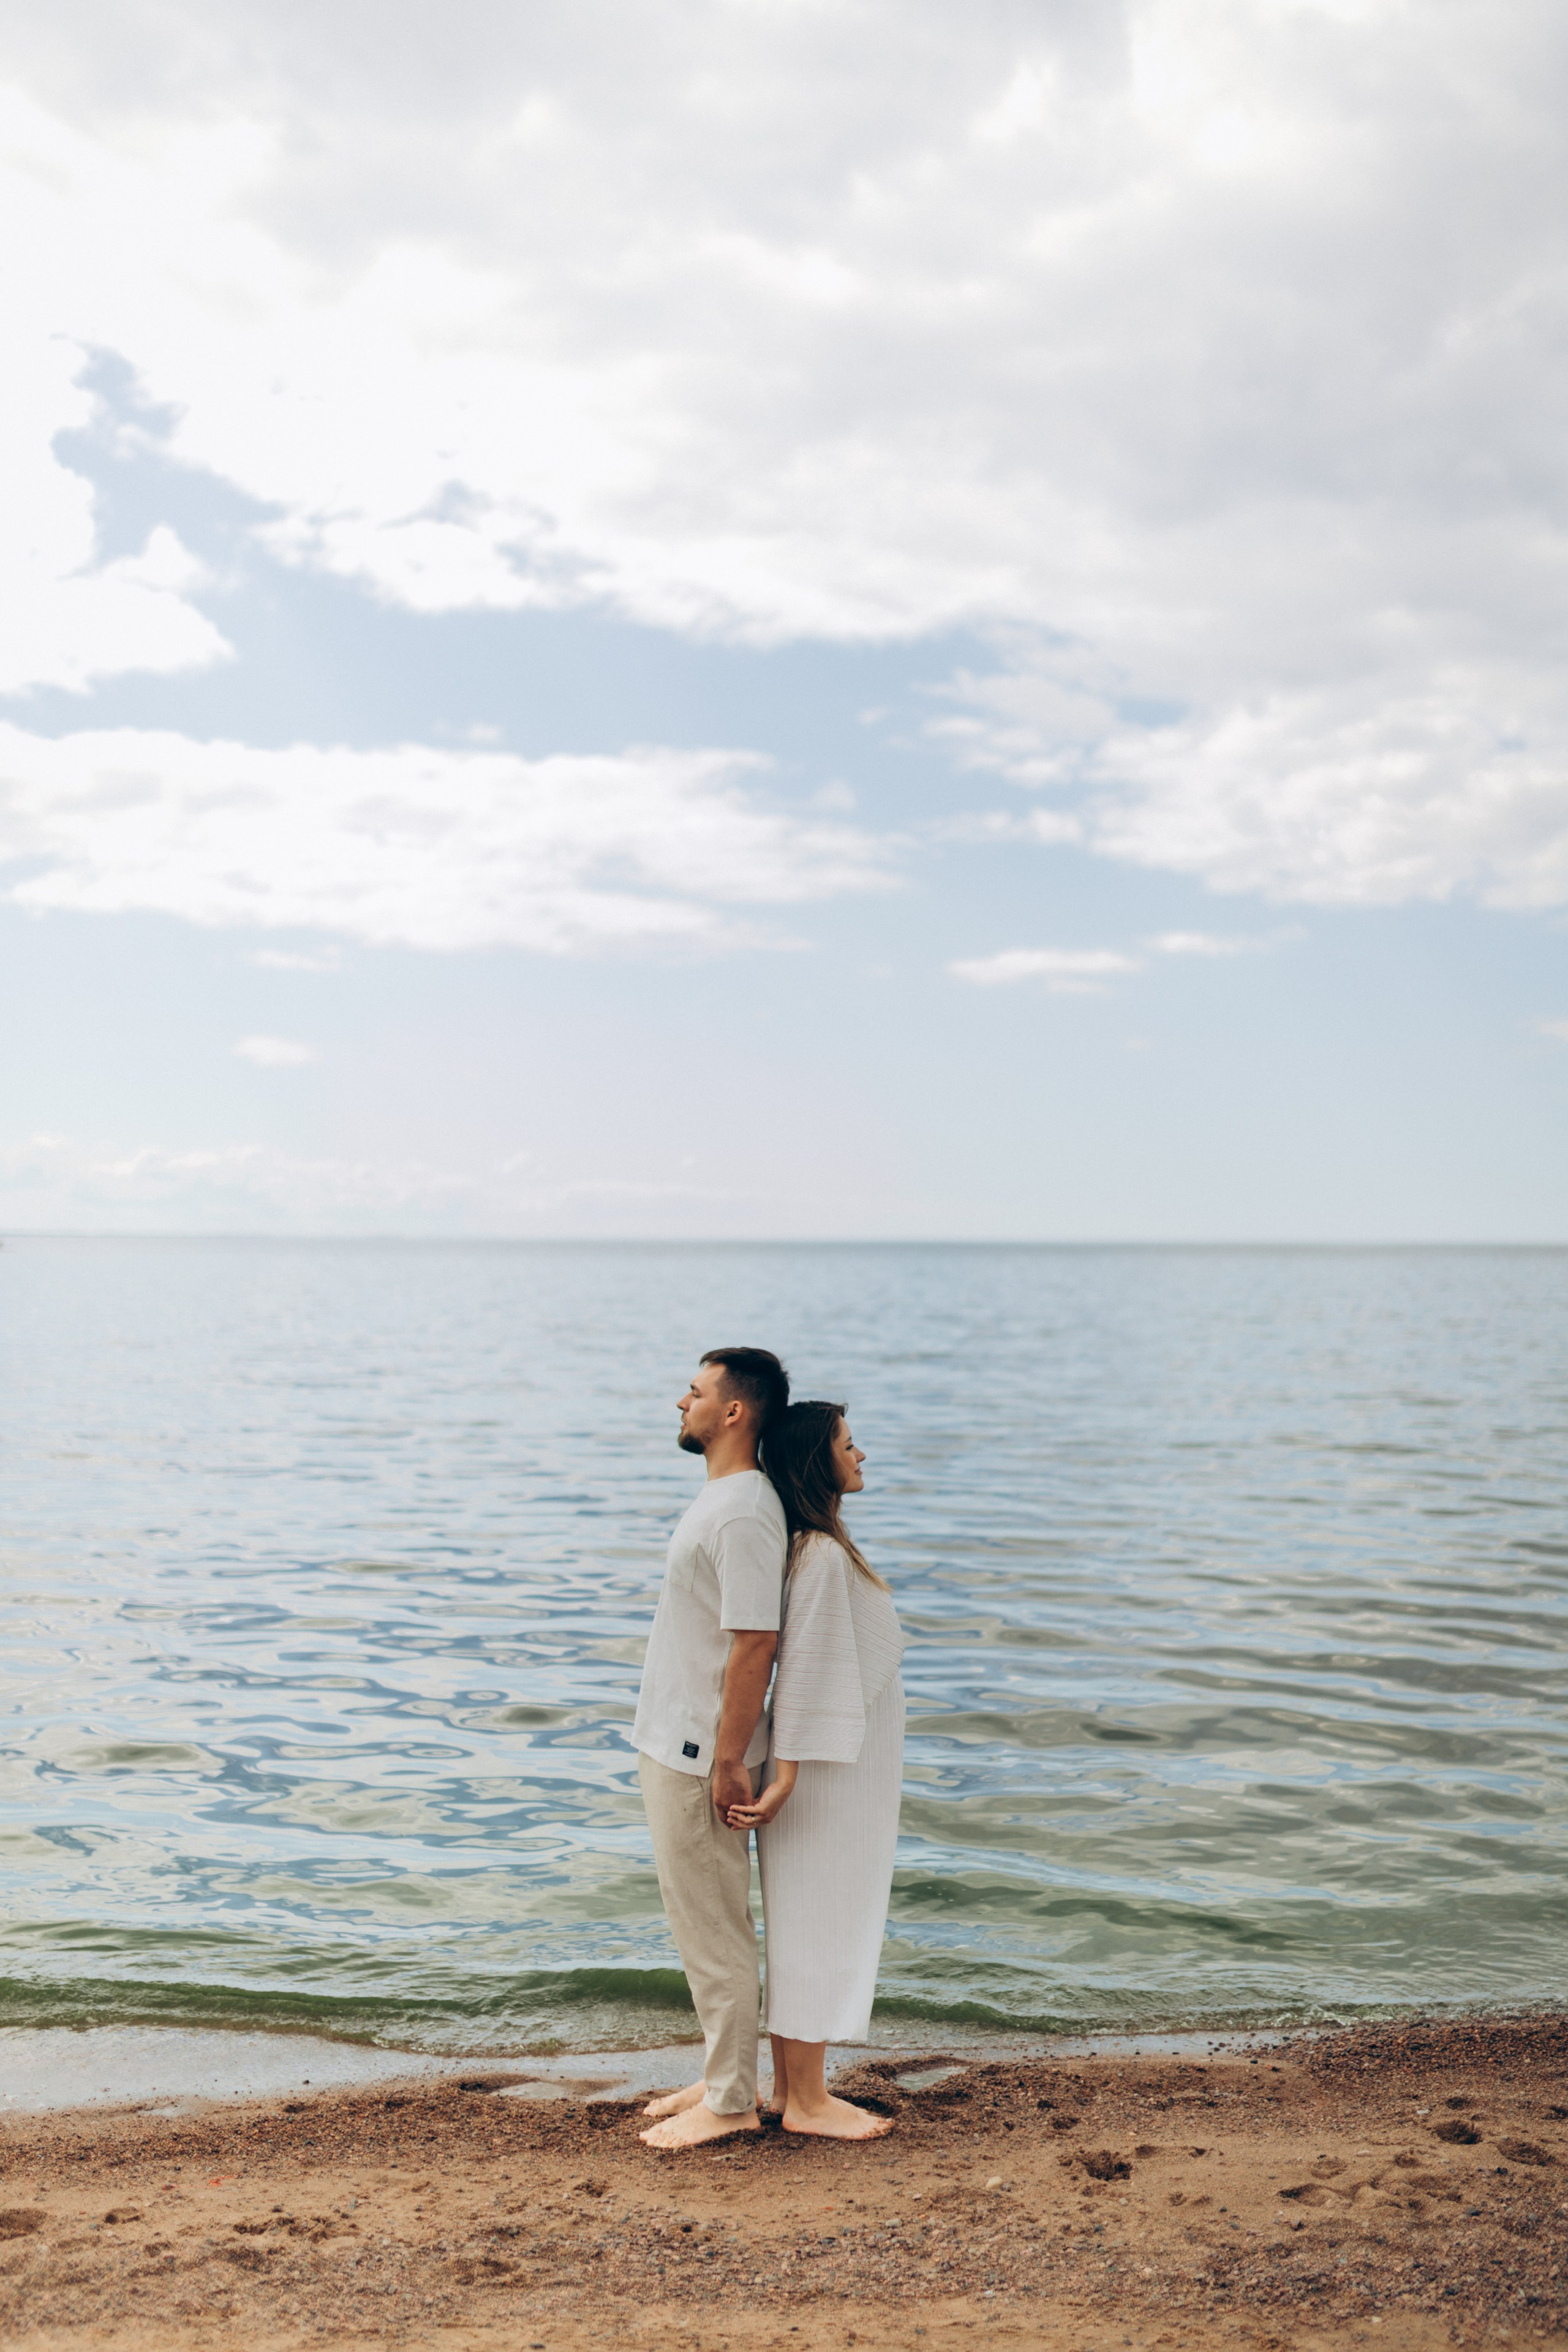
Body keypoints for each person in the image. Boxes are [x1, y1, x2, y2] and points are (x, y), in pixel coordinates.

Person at [728, 1400, 904, 2141]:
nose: (860, 1454)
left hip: (833, 1766)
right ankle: (805, 2100)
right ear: (815, 1461)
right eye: (848, 1444)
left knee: (809, 1921)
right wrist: (789, 1775)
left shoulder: (813, 1548)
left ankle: (789, 2089)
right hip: (826, 1776)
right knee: (819, 1922)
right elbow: (803, 1672)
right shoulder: (822, 1556)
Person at [633, 1346, 790, 2151]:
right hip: (678, 1740)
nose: (680, 1403)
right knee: (698, 1924)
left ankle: (731, 2100)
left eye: (693, 1392)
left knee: (716, 1928)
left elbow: (755, 1642)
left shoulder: (741, 1512)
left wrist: (729, 1758)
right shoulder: (727, 1501)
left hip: (700, 1753)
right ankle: (722, 2070)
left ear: (734, 1413)